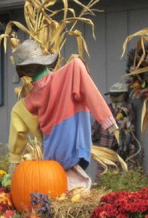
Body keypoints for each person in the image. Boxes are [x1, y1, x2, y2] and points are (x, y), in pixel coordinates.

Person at [8, 40, 116, 190]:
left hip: (52, 151)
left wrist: (15, 159)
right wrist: (108, 121)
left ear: (26, 71)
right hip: (73, 144)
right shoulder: (70, 73)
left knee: (59, 190)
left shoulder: (26, 103)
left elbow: (18, 121)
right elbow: (91, 93)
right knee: (69, 191)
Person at [92, 78, 143, 168]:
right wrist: (90, 139)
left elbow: (126, 123)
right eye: (112, 95)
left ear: (124, 95)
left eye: (117, 95)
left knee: (123, 174)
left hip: (122, 150)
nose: (114, 97)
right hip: (106, 149)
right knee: (105, 175)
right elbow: (96, 126)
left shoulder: (128, 108)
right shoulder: (105, 108)